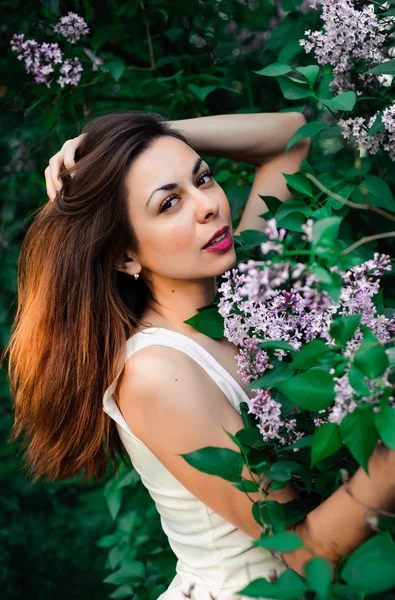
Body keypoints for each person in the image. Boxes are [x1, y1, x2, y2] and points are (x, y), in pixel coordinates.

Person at [4, 110, 395, 600]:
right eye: (169, 203)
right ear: (126, 256)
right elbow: (303, 552)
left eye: (203, 179)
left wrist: (150, 138)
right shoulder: (157, 371)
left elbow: (290, 137)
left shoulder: (243, 293)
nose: (208, 206)